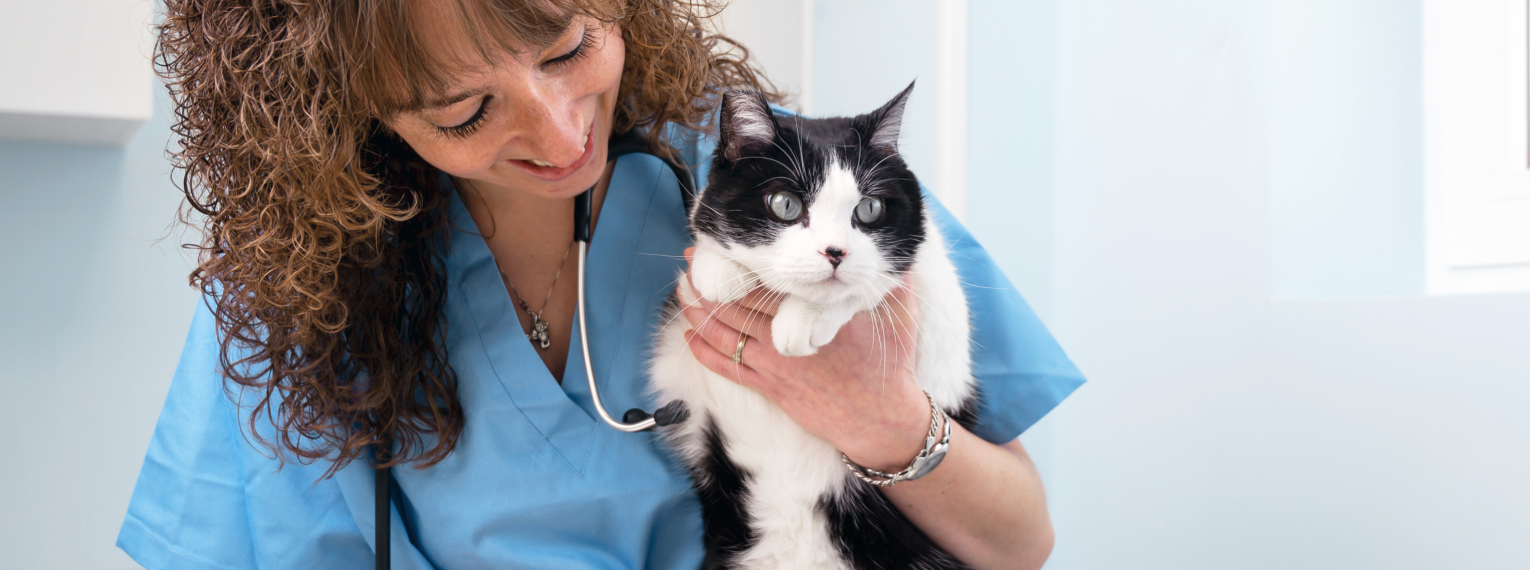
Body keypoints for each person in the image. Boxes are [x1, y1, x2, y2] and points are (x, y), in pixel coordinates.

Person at [118, 1, 1085, 569]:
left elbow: (1021, 539)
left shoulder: (785, 187)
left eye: (571, 47)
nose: (558, 131)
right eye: (464, 109)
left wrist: (886, 426)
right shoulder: (301, 293)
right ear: (343, 115)